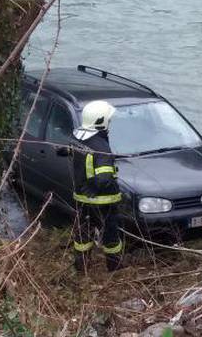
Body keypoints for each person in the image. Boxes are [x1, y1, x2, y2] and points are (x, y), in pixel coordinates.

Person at [72, 100, 124, 273]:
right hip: (104, 201)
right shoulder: (101, 146)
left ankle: (81, 268)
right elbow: (104, 177)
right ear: (101, 121)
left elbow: (73, 151)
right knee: (111, 236)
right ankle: (114, 269)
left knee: (83, 234)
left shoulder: (79, 138)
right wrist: (94, 186)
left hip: (82, 198)